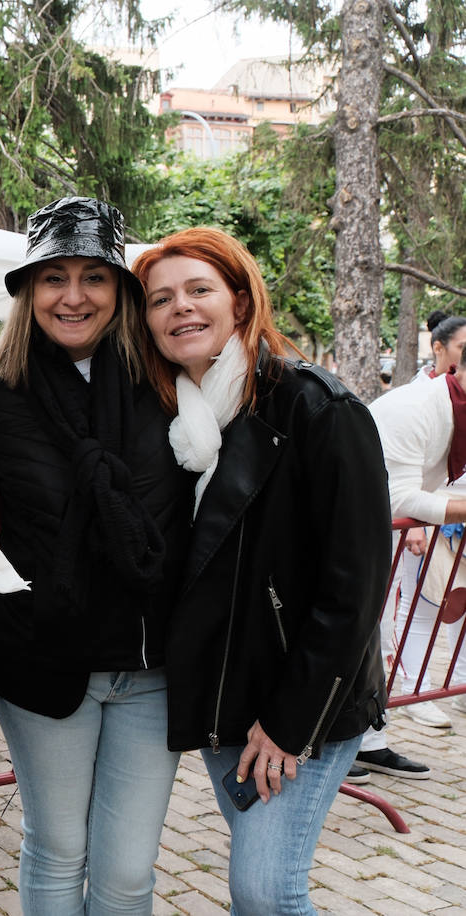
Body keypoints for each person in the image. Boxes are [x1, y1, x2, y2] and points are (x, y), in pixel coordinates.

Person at [132, 226, 388, 915]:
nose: (179, 308)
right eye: (160, 299)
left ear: (239, 303)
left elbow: (356, 588)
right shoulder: (171, 420)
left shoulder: (316, 408)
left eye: (198, 290)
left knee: (266, 889)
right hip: (223, 701)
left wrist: (289, 720)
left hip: (301, 703)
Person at [0, 197, 192, 915]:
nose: (73, 296)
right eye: (53, 276)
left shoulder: (168, 382)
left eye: (93, 276)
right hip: (43, 662)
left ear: (120, 290)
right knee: (59, 851)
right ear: (27, 291)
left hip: (151, 667)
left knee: (127, 872)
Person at [355, 310, 466, 777]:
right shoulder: (416, 406)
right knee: (356, 635)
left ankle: (368, 740)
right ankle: (325, 745)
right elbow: (399, 495)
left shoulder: (453, 407)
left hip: (379, 529)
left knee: (375, 635)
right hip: (348, 526)